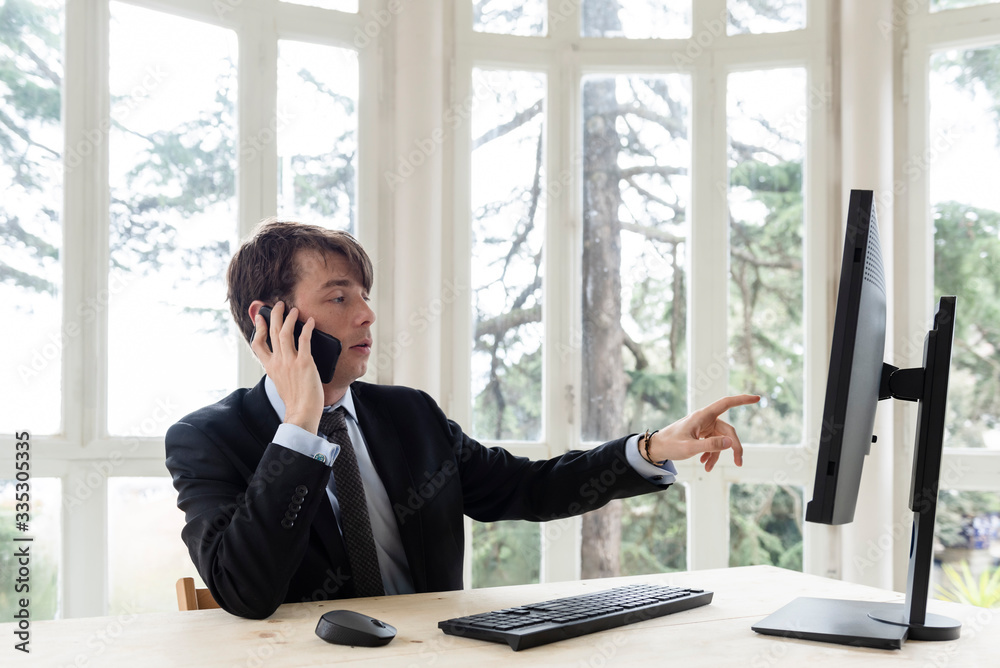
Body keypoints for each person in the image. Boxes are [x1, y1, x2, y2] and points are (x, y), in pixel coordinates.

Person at [165, 219, 759, 619]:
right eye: (340, 298)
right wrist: (300, 423)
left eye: (366, 296)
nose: (368, 315)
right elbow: (245, 591)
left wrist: (653, 448)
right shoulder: (206, 441)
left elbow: (527, 487)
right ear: (270, 319)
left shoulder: (409, 416)